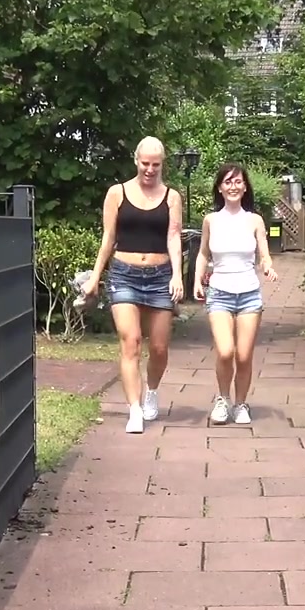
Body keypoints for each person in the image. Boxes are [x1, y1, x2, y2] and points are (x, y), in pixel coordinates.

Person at [81, 136, 185, 433]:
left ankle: (151, 391)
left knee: (160, 347)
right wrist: (95, 277)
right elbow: (108, 237)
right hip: (124, 275)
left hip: (160, 276)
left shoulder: (172, 197)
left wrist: (177, 274)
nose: (150, 170)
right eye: (145, 163)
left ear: (162, 164)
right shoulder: (117, 193)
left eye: (156, 164)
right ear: (136, 160)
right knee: (131, 341)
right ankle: (135, 409)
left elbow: (174, 237)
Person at [192, 164, 277, 425]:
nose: (233, 186)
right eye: (228, 182)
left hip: (249, 294)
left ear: (245, 187)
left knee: (244, 355)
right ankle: (222, 399)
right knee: (226, 351)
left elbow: (264, 254)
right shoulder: (211, 220)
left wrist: (268, 266)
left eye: (238, 182)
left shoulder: (254, 220)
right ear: (220, 187)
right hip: (219, 293)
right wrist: (197, 280)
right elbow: (203, 254)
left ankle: (240, 404)